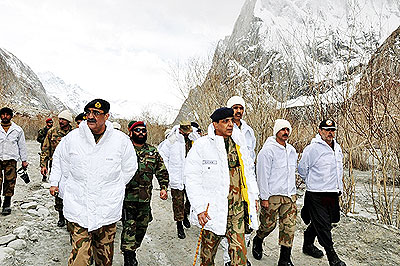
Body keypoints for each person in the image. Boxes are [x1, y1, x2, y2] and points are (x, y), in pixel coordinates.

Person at [49, 99, 137, 266]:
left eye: (96, 113)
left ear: (106, 116)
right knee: (79, 259)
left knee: (104, 259)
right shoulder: (72, 139)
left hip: (107, 209)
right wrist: (58, 184)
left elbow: (129, 168)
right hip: (78, 207)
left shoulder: (120, 140)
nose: (90, 116)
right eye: (88, 112)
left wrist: (114, 187)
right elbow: (60, 161)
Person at [185, 107, 259, 266]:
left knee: (239, 258)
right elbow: (192, 178)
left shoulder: (239, 144)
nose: (230, 124)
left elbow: (248, 173)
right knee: (207, 257)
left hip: (236, 211)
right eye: (225, 121)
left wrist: (254, 198)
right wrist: (199, 208)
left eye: (231, 121)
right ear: (215, 124)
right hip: (212, 210)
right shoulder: (202, 146)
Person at [298, 119, 346, 266]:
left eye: (332, 130)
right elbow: (302, 169)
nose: (330, 132)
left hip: (332, 192)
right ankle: (332, 257)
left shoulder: (337, 148)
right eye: (326, 130)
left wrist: (339, 188)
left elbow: (339, 170)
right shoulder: (313, 149)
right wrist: (313, 182)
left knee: (330, 220)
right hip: (316, 193)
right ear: (320, 131)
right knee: (324, 226)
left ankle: (307, 243)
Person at [121, 121, 169, 266]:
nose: (141, 133)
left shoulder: (152, 151)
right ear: (131, 133)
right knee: (129, 226)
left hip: (144, 199)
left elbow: (161, 171)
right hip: (126, 198)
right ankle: (128, 257)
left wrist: (163, 187)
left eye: (143, 130)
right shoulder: (125, 150)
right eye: (137, 130)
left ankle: (133, 250)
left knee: (142, 227)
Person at [252, 119, 298, 266]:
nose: (285, 132)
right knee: (268, 225)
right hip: (272, 196)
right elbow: (262, 175)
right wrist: (264, 197)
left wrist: (293, 193)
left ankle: (284, 259)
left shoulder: (291, 150)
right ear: (276, 131)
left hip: (289, 196)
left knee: (289, 227)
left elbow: (292, 172)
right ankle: (258, 239)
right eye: (282, 129)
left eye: (287, 130)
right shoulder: (267, 151)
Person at [222, 95, 257, 265]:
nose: (238, 111)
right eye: (235, 108)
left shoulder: (249, 132)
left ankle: (242, 255)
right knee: (228, 225)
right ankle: (229, 259)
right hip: (228, 188)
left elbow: (250, 161)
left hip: (245, 187)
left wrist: (254, 191)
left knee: (247, 224)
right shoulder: (222, 131)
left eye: (241, 108)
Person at [158, 120, 199, 239]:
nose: (186, 134)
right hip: (177, 176)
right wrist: (169, 175)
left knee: (191, 200)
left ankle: (185, 214)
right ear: (180, 129)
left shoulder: (194, 139)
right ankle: (179, 225)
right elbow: (163, 158)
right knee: (177, 202)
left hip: (191, 176)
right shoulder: (172, 141)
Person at [40, 110, 73, 226]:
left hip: (71, 167)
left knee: (71, 191)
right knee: (58, 191)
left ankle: (71, 215)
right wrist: (43, 165)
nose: (61, 121)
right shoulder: (52, 132)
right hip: (56, 165)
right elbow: (45, 149)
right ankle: (61, 216)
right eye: (60, 119)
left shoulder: (74, 133)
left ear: (69, 121)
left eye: (63, 119)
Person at [0, 107, 28, 215]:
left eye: (7, 114)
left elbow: (22, 146)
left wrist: (24, 160)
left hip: (11, 159)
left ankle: (7, 204)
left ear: (11, 116)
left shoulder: (17, 130)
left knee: (10, 181)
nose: (5, 116)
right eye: (3, 114)